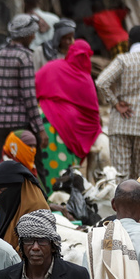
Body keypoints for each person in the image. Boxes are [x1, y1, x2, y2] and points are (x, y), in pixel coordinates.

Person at [95, 25, 140, 179]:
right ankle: (135, 202)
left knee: (121, 176)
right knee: (136, 176)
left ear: (129, 41)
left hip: (121, 125)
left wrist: (115, 103)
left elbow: (101, 82)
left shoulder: (123, 60)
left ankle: (122, 202)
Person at [36, 39, 103, 180]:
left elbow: (33, 87)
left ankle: (47, 194)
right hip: (69, 134)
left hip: (43, 124)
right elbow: (92, 115)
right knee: (64, 164)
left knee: (45, 162)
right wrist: (97, 128)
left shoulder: (52, 67)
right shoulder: (86, 80)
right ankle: (62, 193)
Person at [0, 15, 46, 160]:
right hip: (21, 125)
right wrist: (40, 130)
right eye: (33, 33)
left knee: (4, 169)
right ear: (26, 35)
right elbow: (29, 97)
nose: (34, 37)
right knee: (30, 168)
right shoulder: (25, 57)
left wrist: (4, 105)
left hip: (0, 123)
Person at [0, 161, 50, 249]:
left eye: (2, 191)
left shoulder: (36, 209)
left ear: (16, 187)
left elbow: (30, 251)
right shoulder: (13, 206)